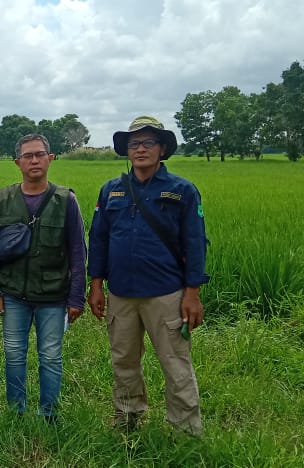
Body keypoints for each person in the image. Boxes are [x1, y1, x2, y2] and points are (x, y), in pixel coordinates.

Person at [88, 116, 209, 436]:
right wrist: (96, 285)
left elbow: (195, 243)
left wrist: (192, 293)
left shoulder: (181, 190)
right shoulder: (111, 190)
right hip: (122, 294)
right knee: (124, 361)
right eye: (134, 144)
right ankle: (128, 420)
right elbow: (98, 239)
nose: (140, 149)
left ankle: (185, 430)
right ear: (127, 151)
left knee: (175, 363)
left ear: (162, 148)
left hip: (166, 294)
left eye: (148, 143)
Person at [0, 134, 86, 423]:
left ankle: (49, 415)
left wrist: (76, 297)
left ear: (50, 159)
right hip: (13, 293)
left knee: (51, 356)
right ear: (17, 162)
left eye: (40, 154)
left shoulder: (66, 200)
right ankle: (16, 412)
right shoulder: (3, 199)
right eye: (27, 156)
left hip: (54, 295)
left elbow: (78, 252)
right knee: (14, 355)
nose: (34, 160)